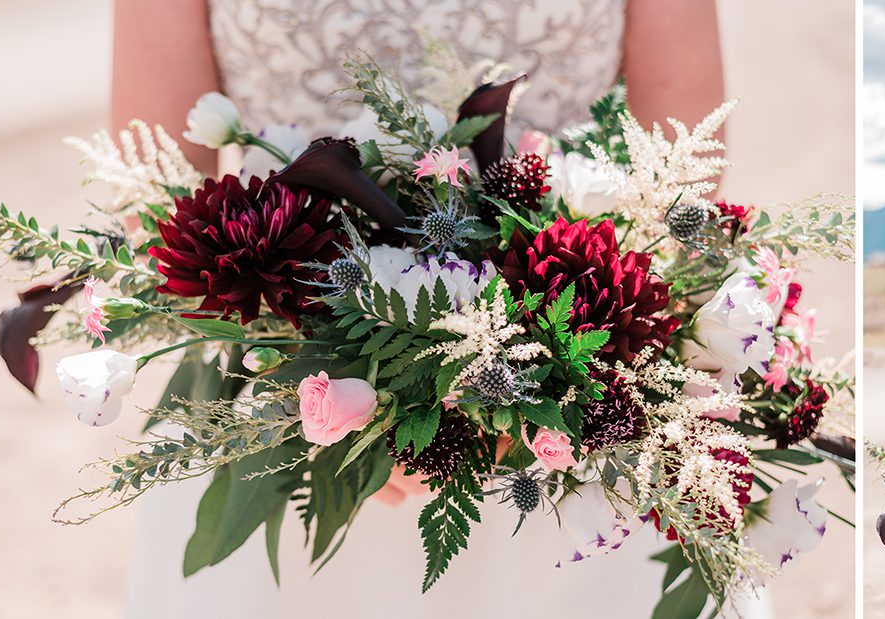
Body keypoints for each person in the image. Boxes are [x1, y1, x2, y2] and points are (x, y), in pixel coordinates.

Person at [110, 2, 769, 618]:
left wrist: (535, 372)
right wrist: (351, 394)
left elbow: (682, 169)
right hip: (286, 392)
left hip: (567, 398)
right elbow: (155, 178)